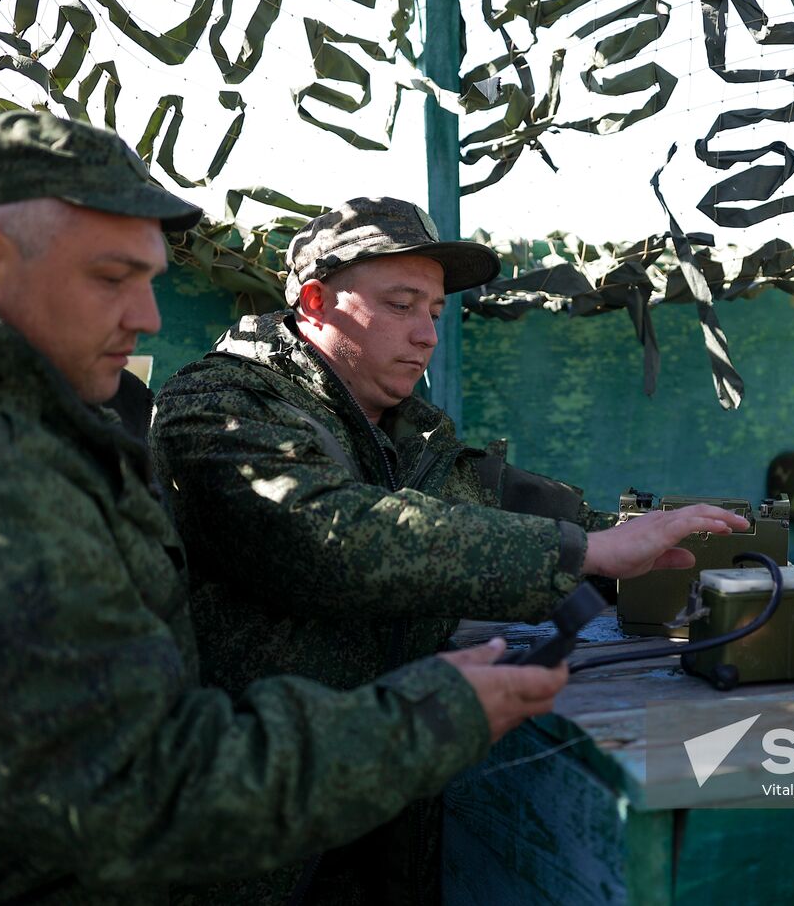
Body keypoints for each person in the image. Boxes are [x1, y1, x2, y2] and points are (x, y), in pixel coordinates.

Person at [0, 111, 575, 904]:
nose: (148, 317)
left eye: (150, 279)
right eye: (113, 277)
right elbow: (136, 787)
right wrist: (428, 715)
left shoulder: (24, 416)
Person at [148, 196, 748, 903]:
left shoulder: (408, 431)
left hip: (383, 822)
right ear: (315, 302)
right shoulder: (218, 403)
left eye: (433, 311)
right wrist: (580, 551)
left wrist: (652, 546)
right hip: (253, 837)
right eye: (401, 305)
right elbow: (329, 535)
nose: (427, 333)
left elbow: (500, 506)